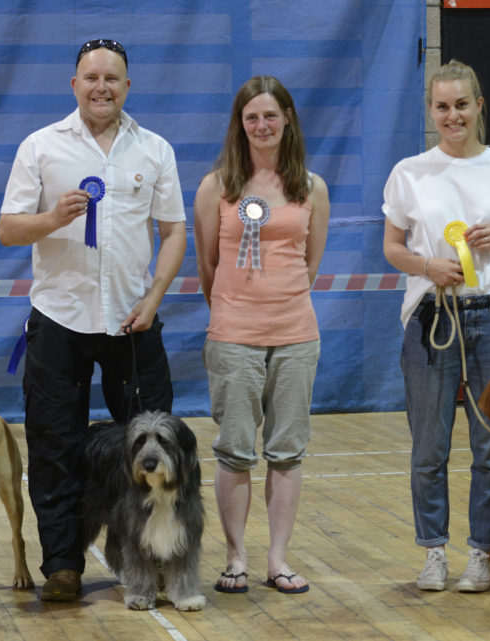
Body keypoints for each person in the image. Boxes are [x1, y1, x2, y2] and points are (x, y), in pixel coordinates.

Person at [0, 38, 187, 602]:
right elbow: (9, 228)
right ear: (73, 84)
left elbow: (174, 231)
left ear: (128, 86)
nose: (101, 86)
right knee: (54, 447)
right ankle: (62, 566)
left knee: (154, 450)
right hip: (59, 320)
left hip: (133, 321)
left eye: (112, 78)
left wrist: (154, 297)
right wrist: (52, 217)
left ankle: (152, 561)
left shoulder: (154, 149)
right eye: (90, 77)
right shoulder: (40, 147)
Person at [381, 59, 490, 593]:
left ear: (479, 107)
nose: (453, 115)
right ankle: (432, 552)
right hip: (431, 317)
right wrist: (428, 267)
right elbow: (392, 248)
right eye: (443, 106)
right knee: (429, 445)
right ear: (431, 111)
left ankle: (481, 554)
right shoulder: (409, 172)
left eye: (462, 104)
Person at [193, 76, 329, 595]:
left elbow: (309, 264)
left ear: (288, 118)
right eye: (252, 117)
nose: (262, 125)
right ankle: (235, 558)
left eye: (271, 115)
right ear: (240, 124)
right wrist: (235, 313)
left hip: (296, 336)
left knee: (287, 451)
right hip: (232, 338)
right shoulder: (216, 187)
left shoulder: (311, 187)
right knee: (234, 452)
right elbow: (207, 264)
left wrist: (279, 306)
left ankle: (277, 558)